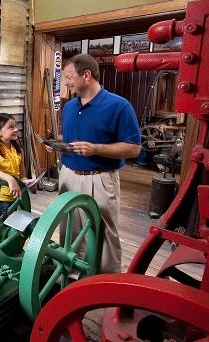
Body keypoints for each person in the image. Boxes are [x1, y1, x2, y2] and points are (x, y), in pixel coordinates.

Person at [52, 53, 141, 274]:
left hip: (99, 178)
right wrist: (57, 144)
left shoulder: (119, 106)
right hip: (68, 174)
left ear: (87, 75)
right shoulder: (70, 107)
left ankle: (105, 282)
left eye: (69, 77)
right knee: (70, 226)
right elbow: (71, 137)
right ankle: (73, 275)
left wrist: (96, 149)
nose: (66, 82)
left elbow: (134, 147)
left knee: (103, 231)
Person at [0, 113, 33, 215]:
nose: (16, 130)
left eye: (15, 126)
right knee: (10, 224)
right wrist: (9, 178)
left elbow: (22, 176)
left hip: (15, 196)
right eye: (10, 127)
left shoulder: (19, 151)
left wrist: (27, 182)